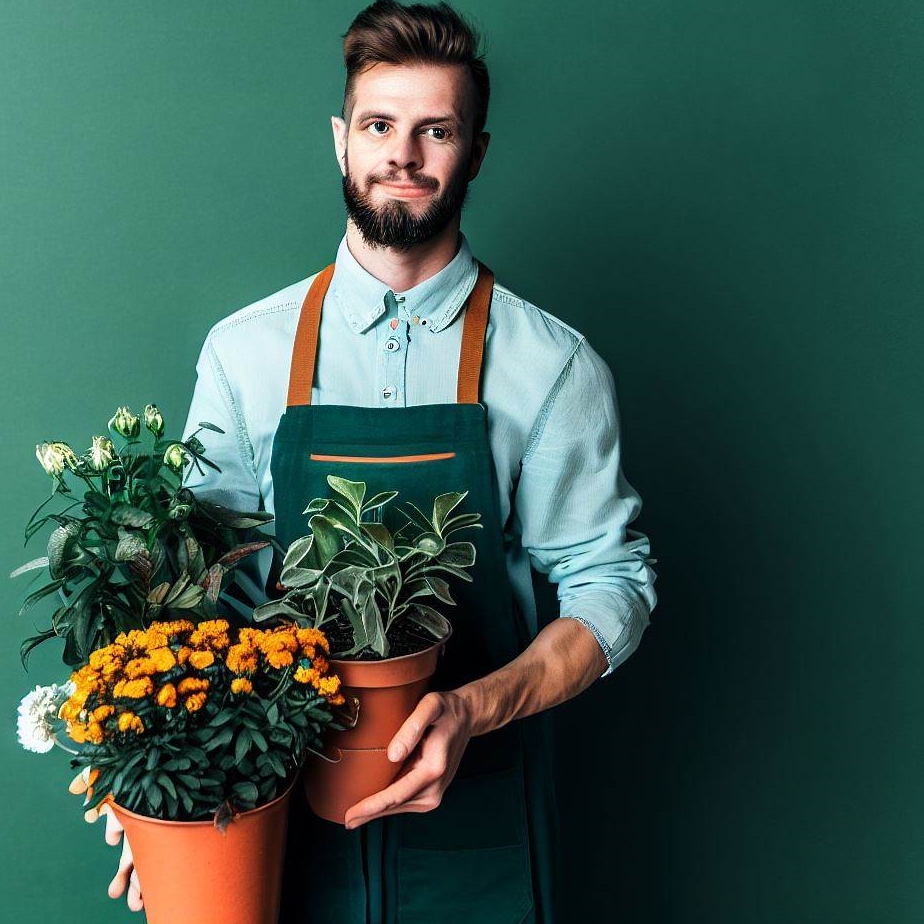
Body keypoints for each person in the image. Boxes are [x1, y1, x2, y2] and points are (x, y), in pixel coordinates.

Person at [73, 2, 657, 920]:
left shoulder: (553, 365)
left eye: (437, 130)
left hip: (483, 820)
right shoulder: (246, 354)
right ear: (342, 140)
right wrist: (164, 793)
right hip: (268, 821)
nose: (405, 155)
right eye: (381, 126)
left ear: (476, 151)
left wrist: (475, 709)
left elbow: (610, 585)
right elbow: (193, 590)